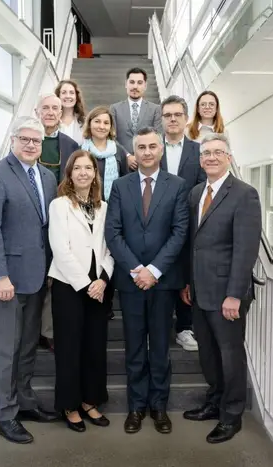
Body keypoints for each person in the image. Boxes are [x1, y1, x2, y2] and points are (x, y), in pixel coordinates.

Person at [0, 116, 59, 444]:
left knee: (27, 347)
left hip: (38, 277)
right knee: (8, 349)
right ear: (13, 140)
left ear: (41, 144)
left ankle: (24, 402)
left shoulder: (48, 177)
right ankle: (5, 415)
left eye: (35, 141)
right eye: (24, 139)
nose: (30, 145)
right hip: (8, 281)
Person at [105, 127, 189, 435]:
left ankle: (159, 407)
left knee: (161, 348)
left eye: (153, 146)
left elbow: (180, 232)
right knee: (135, 347)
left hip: (163, 282)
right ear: (134, 152)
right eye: (141, 147)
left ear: (161, 150)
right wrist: (136, 269)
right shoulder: (119, 186)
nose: (148, 152)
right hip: (130, 282)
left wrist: (153, 271)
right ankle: (136, 407)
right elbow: (113, 233)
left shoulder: (178, 186)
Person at [180, 133, 261, 444]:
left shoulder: (244, 194)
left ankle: (231, 415)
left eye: (217, 152)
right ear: (200, 161)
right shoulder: (197, 192)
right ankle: (214, 402)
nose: (211, 158)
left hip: (227, 294)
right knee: (209, 355)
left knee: (230, 355)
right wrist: (189, 281)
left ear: (229, 157)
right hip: (200, 290)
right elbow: (195, 244)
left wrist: (234, 295)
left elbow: (245, 249)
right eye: (206, 154)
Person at [48, 150, 114, 433]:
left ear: (96, 174)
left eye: (89, 168)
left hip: (99, 286)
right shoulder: (59, 205)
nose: (84, 172)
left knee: (95, 348)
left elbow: (110, 247)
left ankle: (90, 400)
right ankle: (70, 405)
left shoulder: (105, 207)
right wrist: (86, 284)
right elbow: (60, 249)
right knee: (69, 348)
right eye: (78, 168)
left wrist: (103, 279)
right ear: (70, 174)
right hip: (68, 284)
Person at [159, 95, 205, 352]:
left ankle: (185, 328)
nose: (173, 119)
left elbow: (201, 187)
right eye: (168, 115)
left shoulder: (199, 151)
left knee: (187, 274)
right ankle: (159, 327)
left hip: (189, 225)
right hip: (157, 226)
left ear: (186, 119)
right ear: (161, 119)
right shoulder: (153, 147)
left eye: (178, 114)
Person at [35, 93, 80, 351]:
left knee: (57, 273)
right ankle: (36, 330)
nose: (51, 112)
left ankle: (50, 331)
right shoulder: (28, 139)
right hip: (34, 220)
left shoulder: (70, 144)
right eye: (46, 108)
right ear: (37, 111)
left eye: (55, 108)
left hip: (62, 218)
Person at [81, 105, 128, 320]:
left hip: (114, 211)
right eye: (97, 121)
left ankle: (107, 301)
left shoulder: (119, 151)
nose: (101, 125)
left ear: (111, 128)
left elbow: (127, 181)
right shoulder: (81, 150)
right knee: (93, 255)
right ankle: (91, 297)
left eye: (106, 122)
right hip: (87, 212)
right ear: (89, 124)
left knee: (110, 255)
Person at [110, 67, 162, 172]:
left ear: (145, 85)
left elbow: (158, 137)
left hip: (148, 164)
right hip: (122, 164)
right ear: (126, 84)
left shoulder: (155, 109)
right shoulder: (114, 109)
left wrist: (143, 155)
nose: (135, 86)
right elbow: (111, 137)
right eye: (132, 82)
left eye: (139, 82)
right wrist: (127, 156)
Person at [56, 79, 86, 144]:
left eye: (71, 93)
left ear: (76, 97)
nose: (68, 96)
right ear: (58, 96)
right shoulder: (51, 121)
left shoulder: (84, 122)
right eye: (64, 92)